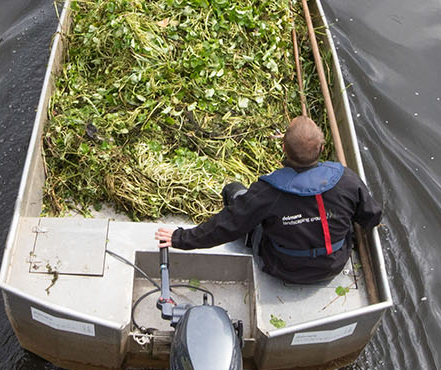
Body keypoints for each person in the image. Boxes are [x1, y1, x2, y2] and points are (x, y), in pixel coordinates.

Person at [156, 116, 382, 285]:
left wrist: (181, 238)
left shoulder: (267, 192)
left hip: (284, 267)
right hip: (334, 264)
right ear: (322, 149)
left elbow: (225, 226)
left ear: (283, 148)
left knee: (233, 191)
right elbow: (372, 216)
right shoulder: (346, 179)